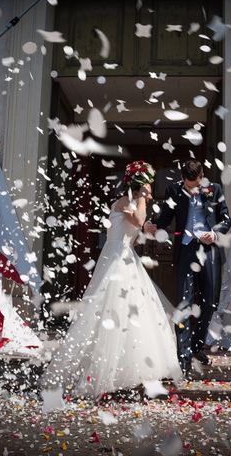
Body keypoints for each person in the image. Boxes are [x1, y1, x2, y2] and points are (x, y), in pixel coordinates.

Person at [40, 161, 182, 398]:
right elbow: (138, 222)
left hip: (125, 254)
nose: (149, 189)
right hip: (117, 257)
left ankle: (133, 370)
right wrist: (145, 200)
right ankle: (105, 372)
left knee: (135, 311)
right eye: (146, 185)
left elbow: (136, 233)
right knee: (112, 307)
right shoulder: (126, 201)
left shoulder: (132, 203)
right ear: (138, 186)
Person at [146, 159, 231, 375]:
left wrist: (214, 234)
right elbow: (166, 217)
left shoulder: (215, 189)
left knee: (210, 301)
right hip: (185, 250)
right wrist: (153, 224)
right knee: (184, 302)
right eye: (189, 185)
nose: (193, 190)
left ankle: (196, 345)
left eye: (197, 184)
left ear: (202, 176)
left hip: (209, 250)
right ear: (182, 179)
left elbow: (226, 219)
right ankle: (183, 357)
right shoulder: (174, 190)